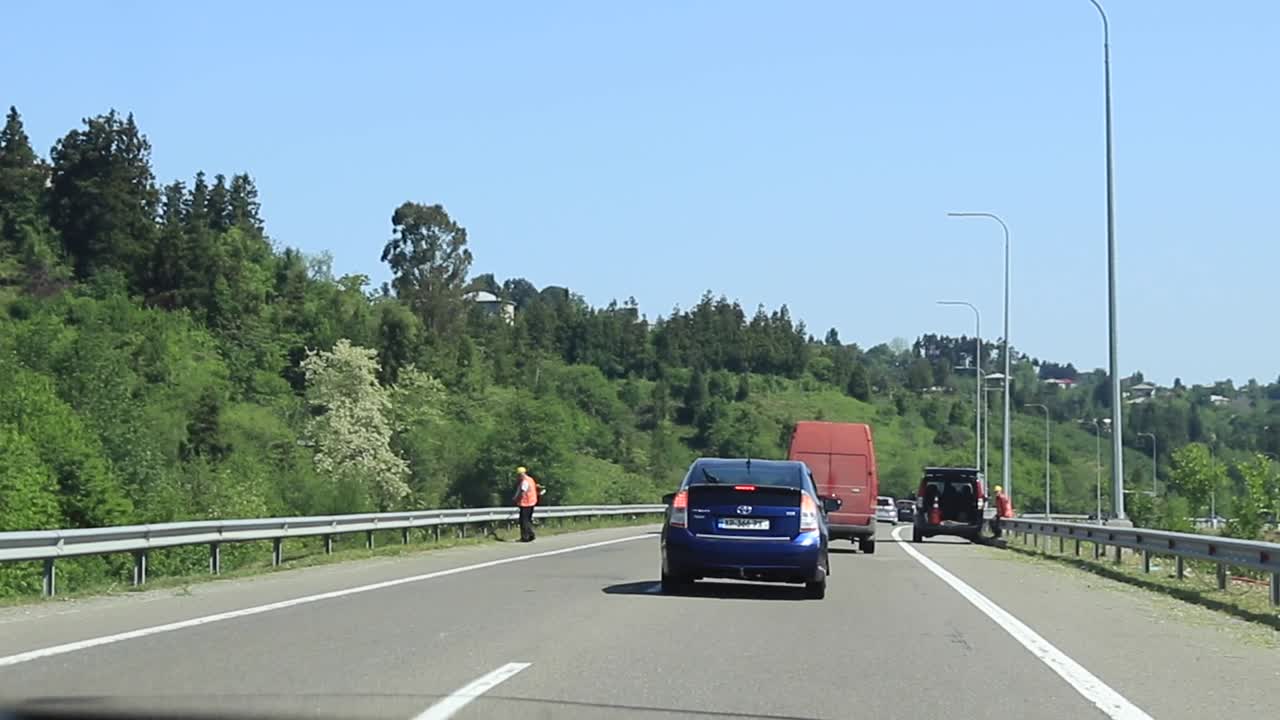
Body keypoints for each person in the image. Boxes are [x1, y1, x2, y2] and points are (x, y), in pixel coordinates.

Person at [512, 466, 540, 542]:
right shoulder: (530, 479)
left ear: (521, 474)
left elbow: (522, 491)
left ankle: (526, 537)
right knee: (528, 520)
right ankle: (530, 535)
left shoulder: (524, 481)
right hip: (532, 502)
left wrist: (516, 499)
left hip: (526, 503)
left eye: (518, 475)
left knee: (523, 521)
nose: (518, 477)